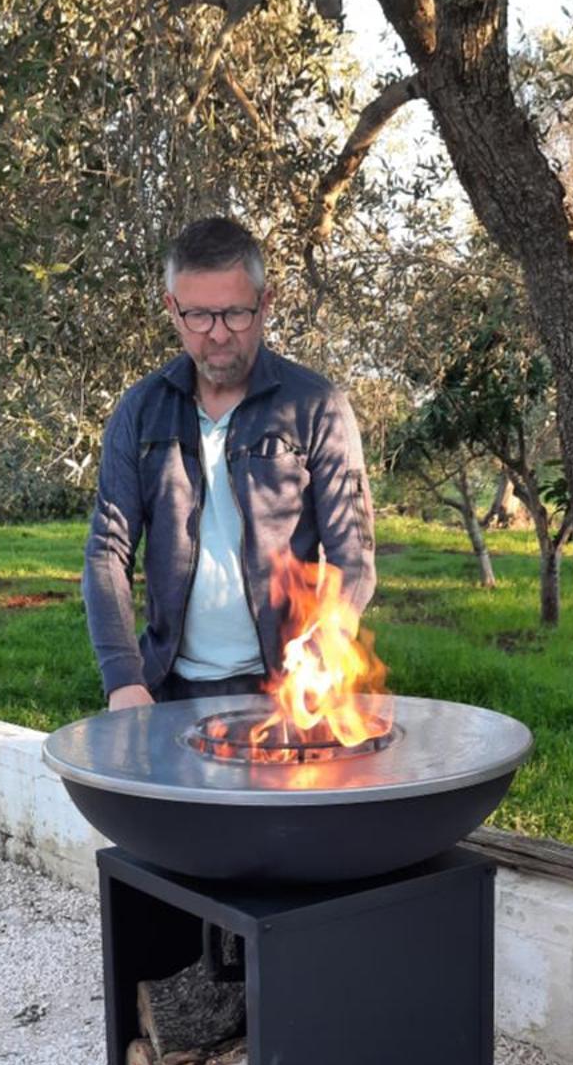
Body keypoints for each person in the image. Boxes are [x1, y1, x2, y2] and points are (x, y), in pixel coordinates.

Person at [83, 216, 376, 708]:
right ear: (172, 309)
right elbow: (108, 549)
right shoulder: (140, 410)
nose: (218, 335)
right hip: (166, 690)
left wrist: (325, 649)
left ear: (265, 305)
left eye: (236, 314)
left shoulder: (317, 406)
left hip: (286, 690)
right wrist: (123, 678)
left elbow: (354, 554)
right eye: (199, 316)